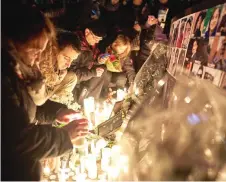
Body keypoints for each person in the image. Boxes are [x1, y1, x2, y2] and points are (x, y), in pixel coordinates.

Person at [2, 5, 88, 180]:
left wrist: (57, 112)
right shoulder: (5, 78)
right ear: (14, 41)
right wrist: (64, 136)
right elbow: (15, 141)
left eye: (42, 50)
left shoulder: (21, 69)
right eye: (35, 50)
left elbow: (27, 107)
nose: (39, 57)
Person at [33, 31, 81, 106]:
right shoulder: (41, 62)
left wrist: (61, 74)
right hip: (38, 102)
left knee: (72, 77)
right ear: (55, 50)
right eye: (66, 58)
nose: (69, 65)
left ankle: (60, 103)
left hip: (50, 88)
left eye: (72, 60)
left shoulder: (55, 61)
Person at [69, 21, 107, 103]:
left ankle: (92, 100)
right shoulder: (76, 46)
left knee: (103, 68)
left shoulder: (90, 44)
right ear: (87, 32)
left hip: (85, 72)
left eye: (99, 39)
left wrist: (98, 60)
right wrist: (93, 73)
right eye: (95, 38)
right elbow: (72, 74)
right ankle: (83, 102)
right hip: (73, 80)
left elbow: (90, 59)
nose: (97, 42)